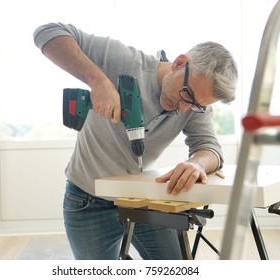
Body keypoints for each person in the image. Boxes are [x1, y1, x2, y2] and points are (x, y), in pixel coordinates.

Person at [33, 22, 238, 260]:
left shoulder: (195, 106)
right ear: (179, 63)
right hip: (87, 201)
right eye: (187, 95)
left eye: (196, 104)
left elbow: (210, 148)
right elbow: (47, 33)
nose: (184, 108)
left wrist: (198, 164)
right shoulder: (124, 61)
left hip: (141, 199)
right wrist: (99, 82)